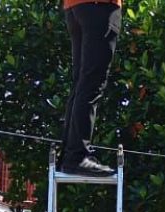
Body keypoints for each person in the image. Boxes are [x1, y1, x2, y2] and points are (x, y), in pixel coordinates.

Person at [59, 0, 122, 177]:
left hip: (75, 7)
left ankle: (69, 156)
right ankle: (77, 156)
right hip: (100, 6)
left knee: (82, 82)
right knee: (92, 82)